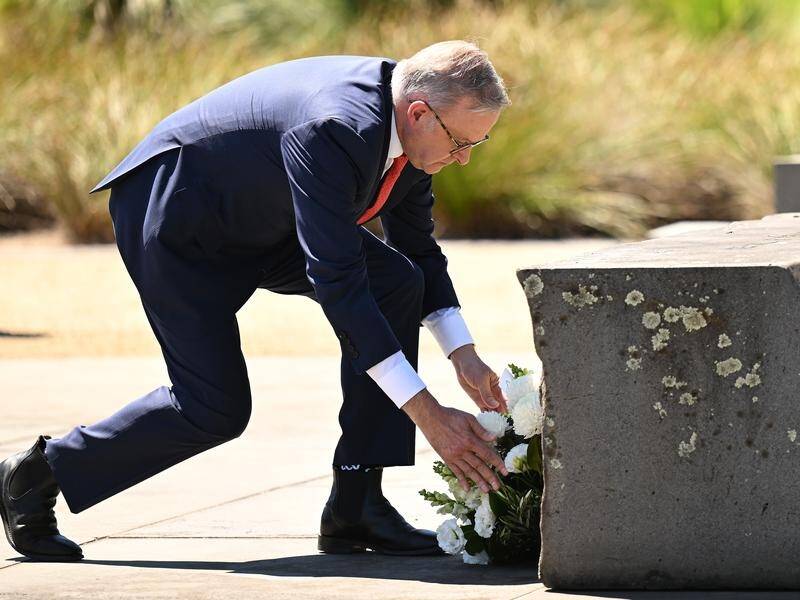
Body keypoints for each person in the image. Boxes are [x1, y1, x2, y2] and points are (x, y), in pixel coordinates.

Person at [0, 39, 512, 561]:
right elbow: (339, 281)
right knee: (214, 408)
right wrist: (427, 413)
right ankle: (38, 473)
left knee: (395, 282)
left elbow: (418, 247)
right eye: (460, 143)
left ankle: (357, 505)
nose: (464, 159)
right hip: (180, 221)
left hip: (270, 222)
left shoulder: (411, 135)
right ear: (420, 114)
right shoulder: (337, 127)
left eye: (478, 144)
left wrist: (462, 354)